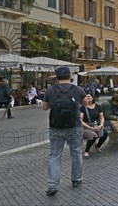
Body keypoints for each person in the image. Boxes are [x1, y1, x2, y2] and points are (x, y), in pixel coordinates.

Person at [42, 66, 87, 196]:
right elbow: (84, 103)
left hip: (56, 127)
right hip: (75, 126)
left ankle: (52, 185)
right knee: (76, 153)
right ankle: (76, 179)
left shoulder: (50, 90)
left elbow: (44, 107)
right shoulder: (78, 89)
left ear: (56, 77)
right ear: (70, 76)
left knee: (55, 155)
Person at [80, 92, 107, 158]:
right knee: (93, 134)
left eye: (89, 96)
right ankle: (86, 151)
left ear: (92, 98)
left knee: (105, 133)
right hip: (85, 127)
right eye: (86, 97)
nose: (87, 98)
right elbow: (80, 120)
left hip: (96, 125)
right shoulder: (82, 108)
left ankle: (98, 146)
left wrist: (101, 125)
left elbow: (101, 117)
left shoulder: (98, 107)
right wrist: (90, 127)